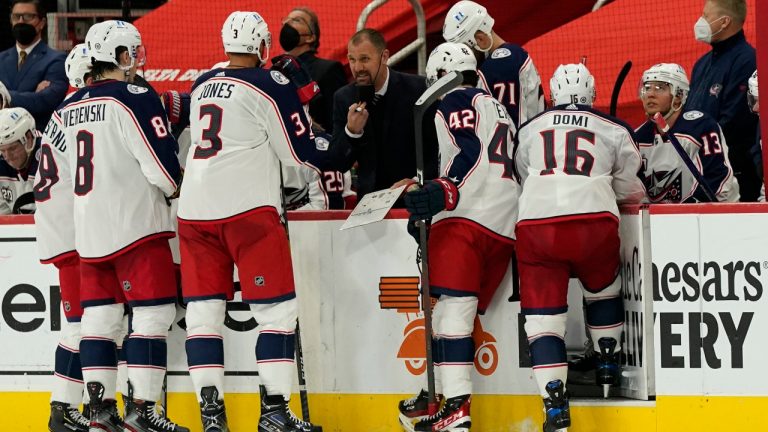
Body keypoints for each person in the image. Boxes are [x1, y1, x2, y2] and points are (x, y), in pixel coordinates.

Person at [178, 12, 327, 432]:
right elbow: (297, 159)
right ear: (263, 46)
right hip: (248, 211)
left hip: (193, 214)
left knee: (204, 315)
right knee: (277, 312)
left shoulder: (201, 82)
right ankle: (275, 412)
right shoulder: (269, 83)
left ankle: (212, 417)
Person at [57, 20, 187, 432]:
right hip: (136, 228)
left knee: (99, 320)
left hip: (89, 232)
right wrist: (175, 187)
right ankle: (142, 411)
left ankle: (100, 415)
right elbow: (161, 169)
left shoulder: (68, 106)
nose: (135, 59)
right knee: (153, 316)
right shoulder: (134, 96)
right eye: (131, 51)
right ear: (121, 56)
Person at [514, 64, 645, 432]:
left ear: (553, 94)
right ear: (592, 93)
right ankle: (607, 366)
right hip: (594, 221)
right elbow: (632, 187)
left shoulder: (529, 129)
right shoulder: (614, 128)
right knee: (603, 287)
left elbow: (524, 175)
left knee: (543, 320)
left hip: (538, 223)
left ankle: (556, 407)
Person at [399, 42, 518, 432]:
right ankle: (438, 394)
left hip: (468, 216)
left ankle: (456, 407)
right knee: (450, 312)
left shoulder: (455, 99)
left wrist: (445, 190)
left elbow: (469, 152)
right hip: (504, 224)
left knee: (451, 312)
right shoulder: (498, 107)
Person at [36, 43, 91, 432]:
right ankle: (63, 409)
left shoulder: (64, 112)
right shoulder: (82, 115)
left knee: (95, 323)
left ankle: (75, 407)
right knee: (79, 325)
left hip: (66, 230)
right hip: (76, 234)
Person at [331, 28, 439, 201]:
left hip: (414, 198)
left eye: (365, 59)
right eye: (352, 60)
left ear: (384, 56)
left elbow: (439, 151)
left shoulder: (420, 90)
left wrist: (416, 182)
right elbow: (338, 163)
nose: (358, 68)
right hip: (370, 205)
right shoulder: (344, 98)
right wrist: (351, 132)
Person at [636, 63, 739, 203]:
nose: (650, 94)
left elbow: (718, 178)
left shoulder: (701, 127)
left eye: (659, 88)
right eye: (647, 88)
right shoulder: (638, 136)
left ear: (678, 96)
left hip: (713, 216)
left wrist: (685, 211)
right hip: (664, 219)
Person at [687, 0, 758, 200]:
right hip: (698, 166)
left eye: (706, 15)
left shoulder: (748, 60)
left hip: (735, 172)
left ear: (724, 21)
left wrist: (695, 144)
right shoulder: (702, 64)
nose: (701, 21)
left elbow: (736, 121)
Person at [442, 0, 544, 129]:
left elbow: (509, 132)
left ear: (480, 39)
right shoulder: (512, 56)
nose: (464, 57)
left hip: (524, 147)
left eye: (466, 49)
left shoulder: (500, 66)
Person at [0, 0, 68, 130]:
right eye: (16, 17)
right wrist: (31, 94)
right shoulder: (1, 59)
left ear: (42, 23)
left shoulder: (57, 60)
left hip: (37, 139)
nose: (20, 21)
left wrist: (4, 97)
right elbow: (35, 100)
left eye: (27, 16)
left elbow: (46, 101)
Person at [279, 6, 347, 133]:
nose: (287, 23)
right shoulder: (275, 73)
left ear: (311, 37)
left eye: (296, 20)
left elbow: (338, 123)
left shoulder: (329, 70)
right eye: (286, 20)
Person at [0, 106, 39, 215]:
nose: (7, 156)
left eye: (12, 148)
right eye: (2, 150)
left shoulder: (49, 157)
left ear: (29, 138)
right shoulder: (1, 164)